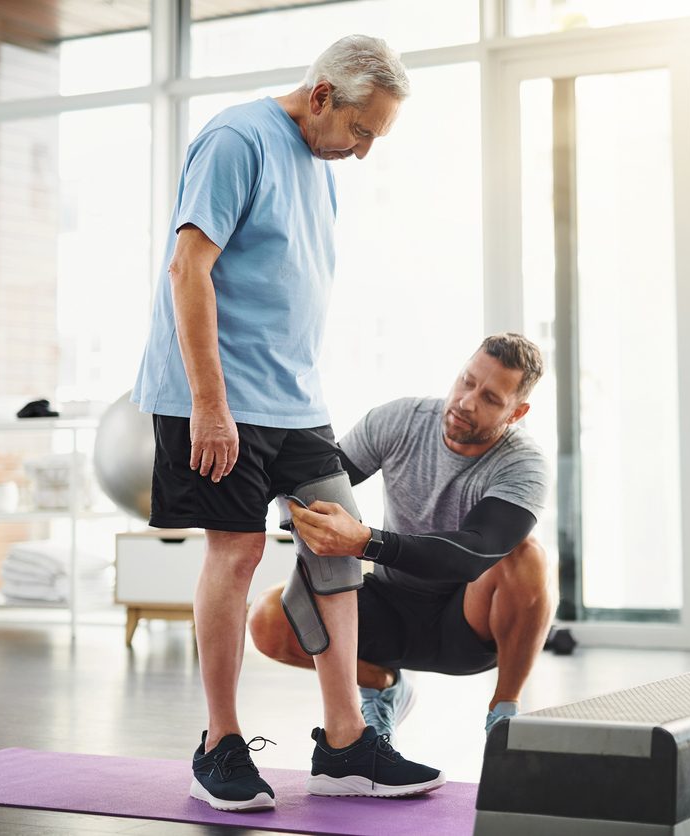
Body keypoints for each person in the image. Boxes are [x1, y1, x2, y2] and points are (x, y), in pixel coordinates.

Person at [131, 35, 443, 812]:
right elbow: (188, 268)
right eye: (362, 131)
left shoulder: (321, 163)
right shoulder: (238, 139)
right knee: (234, 556)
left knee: (339, 547)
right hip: (217, 396)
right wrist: (210, 404)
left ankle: (344, 745)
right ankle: (220, 744)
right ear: (323, 96)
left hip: (296, 400)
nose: (364, 152)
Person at [247, 333, 554, 739]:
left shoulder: (523, 465)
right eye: (467, 380)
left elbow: (475, 552)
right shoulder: (400, 420)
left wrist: (364, 541)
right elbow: (311, 486)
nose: (466, 401)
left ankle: (504, 712)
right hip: (388, 604)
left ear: (517, 413)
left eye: (491, 399)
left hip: (465, 621)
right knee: (269, 618)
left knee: (527, 556)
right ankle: (382, 685)